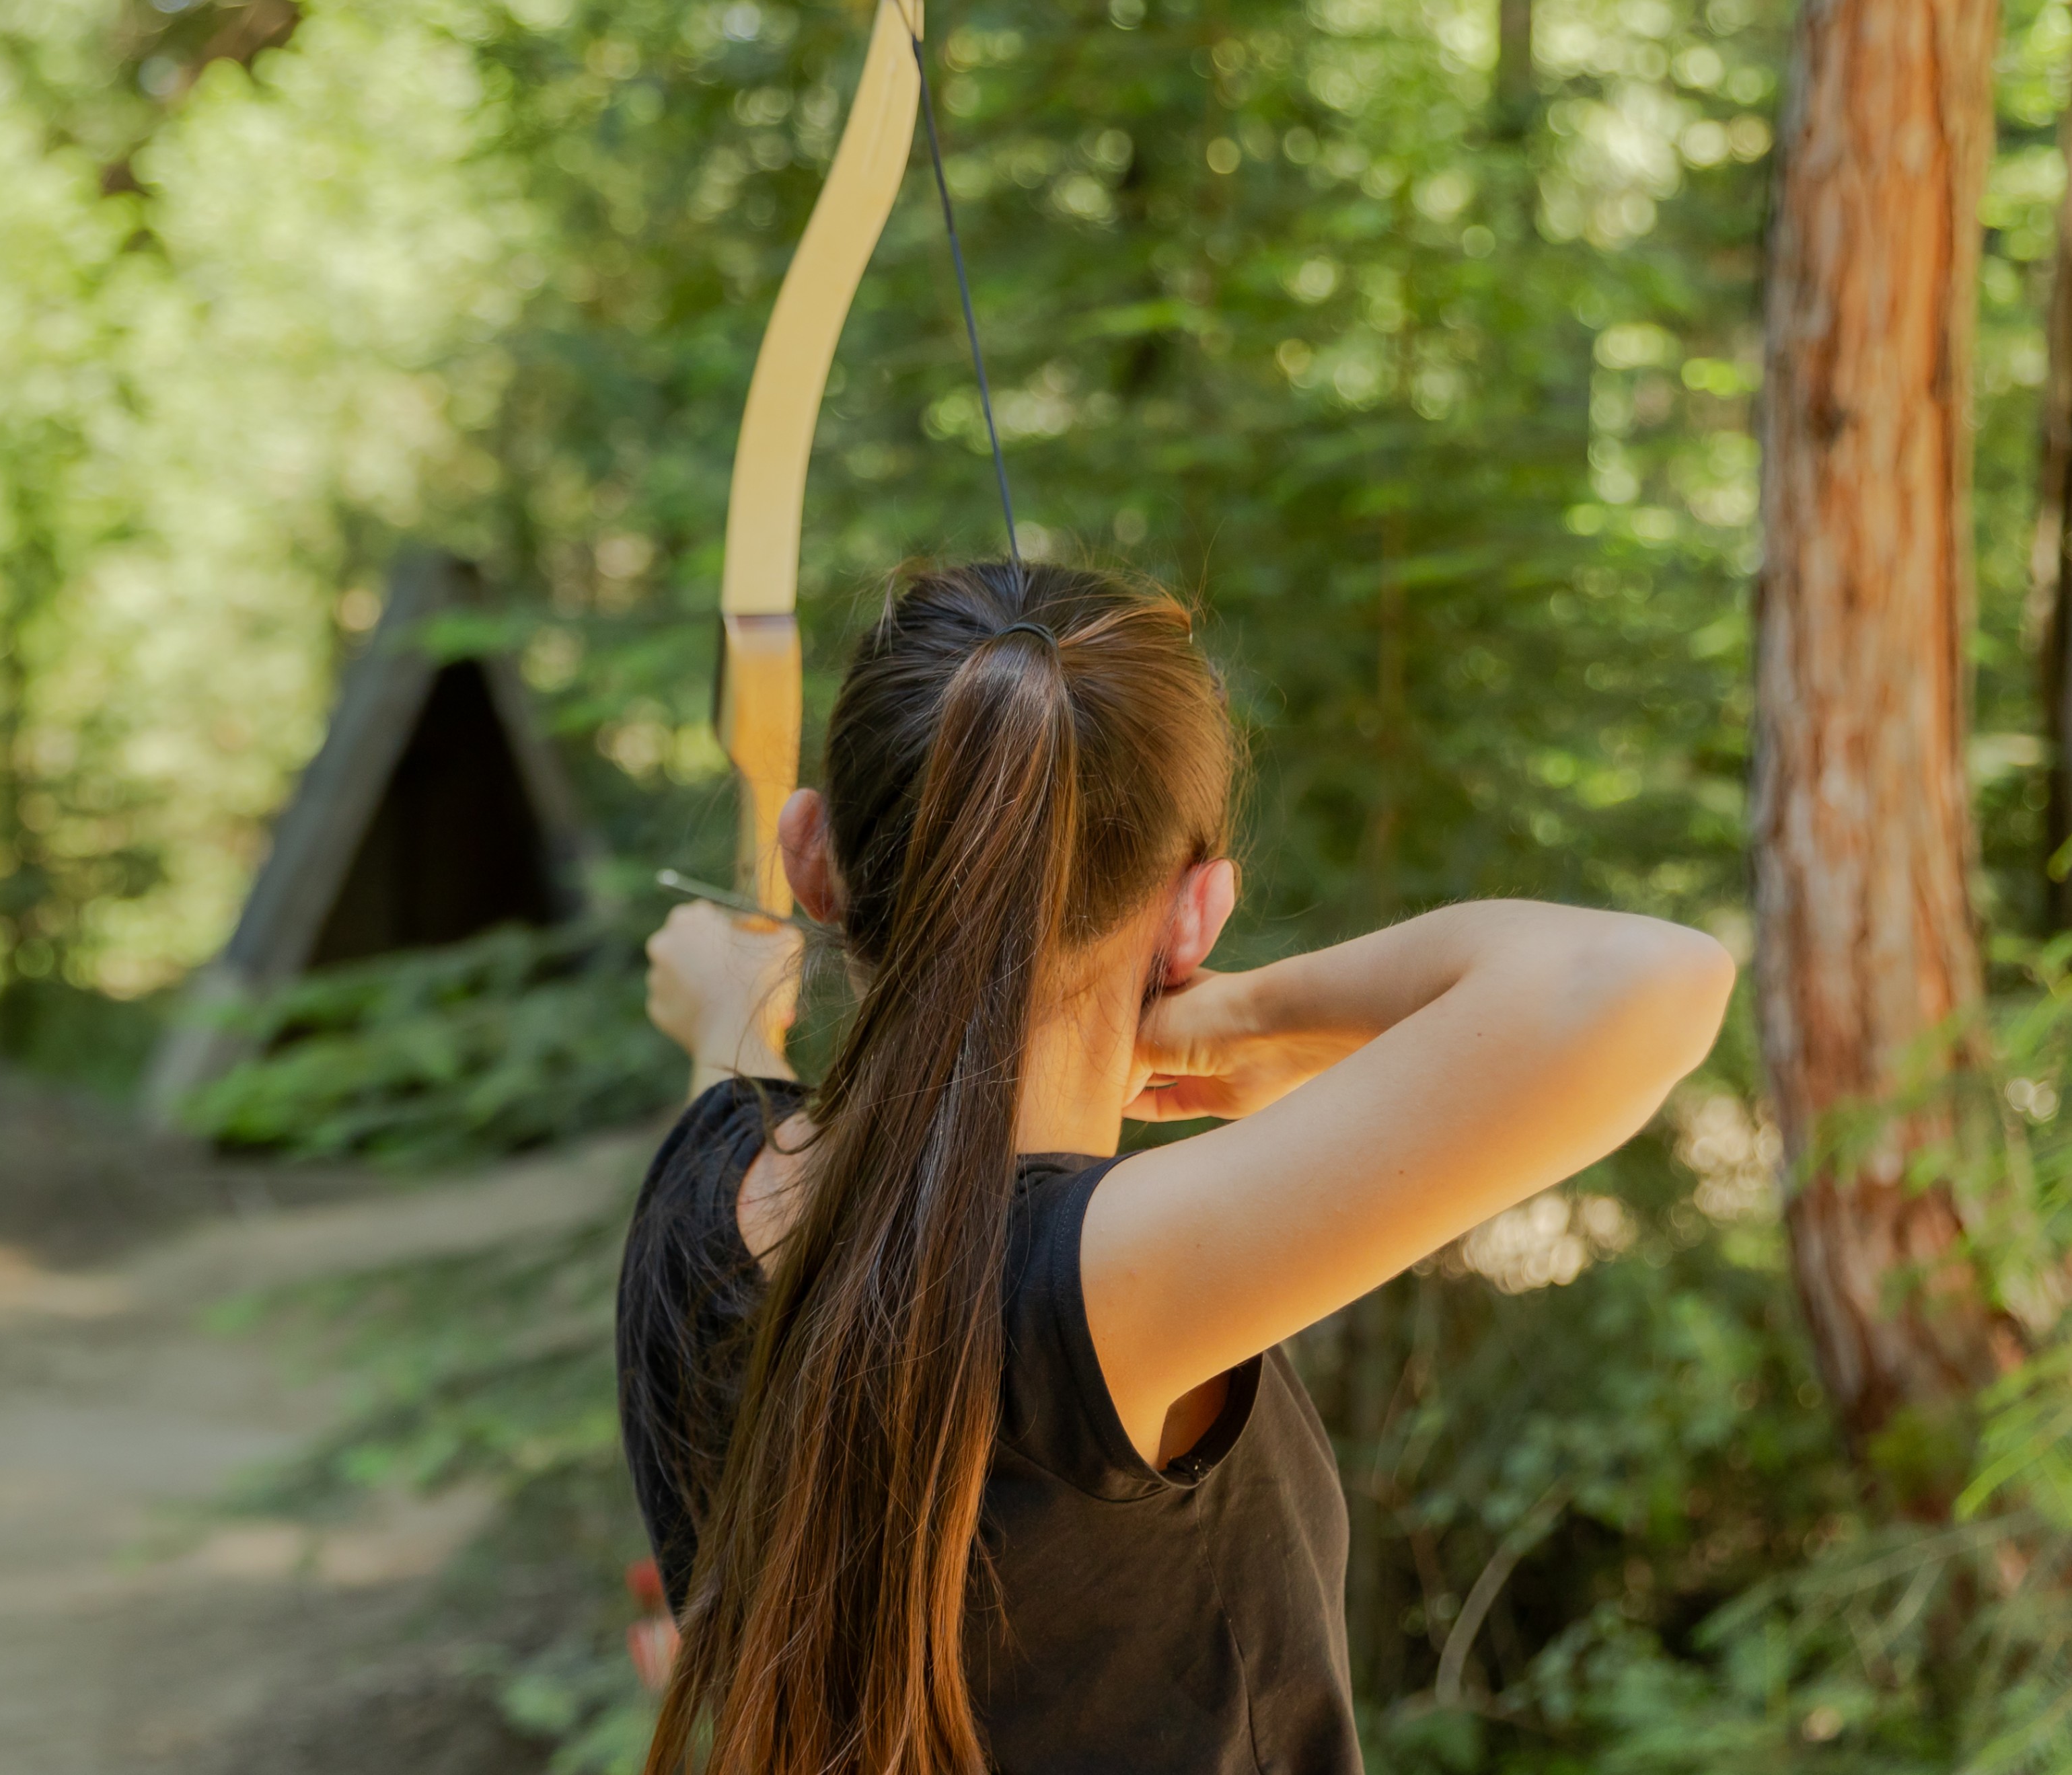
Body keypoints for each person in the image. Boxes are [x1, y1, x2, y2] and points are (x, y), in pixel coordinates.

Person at [618, 560, 1734, 1775]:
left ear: (807, 858)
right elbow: (1642, 980)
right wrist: (1254, 1015)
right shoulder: (1096, 1289)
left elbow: (806, 1147)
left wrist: (736, 1016)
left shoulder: (701, 1182)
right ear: (1196, 912)